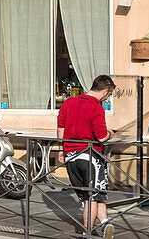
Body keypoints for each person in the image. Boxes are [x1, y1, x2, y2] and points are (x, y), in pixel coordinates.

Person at [58, 74, 117, 238]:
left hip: (71, 156)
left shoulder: (68, 102)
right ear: (105, 91)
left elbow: (60, 131)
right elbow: (100, 136)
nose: (108, 98)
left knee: (94, 195)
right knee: (91, 198)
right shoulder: (96, 107)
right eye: (109, 95)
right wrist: (111, 134)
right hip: (90, 157)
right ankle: (87, 234)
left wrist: (62, 150)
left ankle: (105, 223)